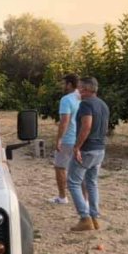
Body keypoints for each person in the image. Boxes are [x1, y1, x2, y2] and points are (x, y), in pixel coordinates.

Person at [67, 76, 110, 231]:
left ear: (85, 89)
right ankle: (94, 216)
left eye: (79, 88)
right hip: (100, 149)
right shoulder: (103, 104)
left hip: (87, 149)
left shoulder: (85, 104)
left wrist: (77, 147)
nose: (77, 90)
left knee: (73, 182)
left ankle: (84, 217)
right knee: (91, 182)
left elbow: (86, 126)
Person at [49, 74, 81, 204]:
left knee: (60, 167)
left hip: (68, 138)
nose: (62, 86)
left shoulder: (66, 99)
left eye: (64, 83)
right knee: (79, 169)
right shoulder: (82, 98)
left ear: (69, 84)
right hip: (80, 138)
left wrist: (59, 139)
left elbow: (64, 121)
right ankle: (84, 198)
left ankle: (62, 197)